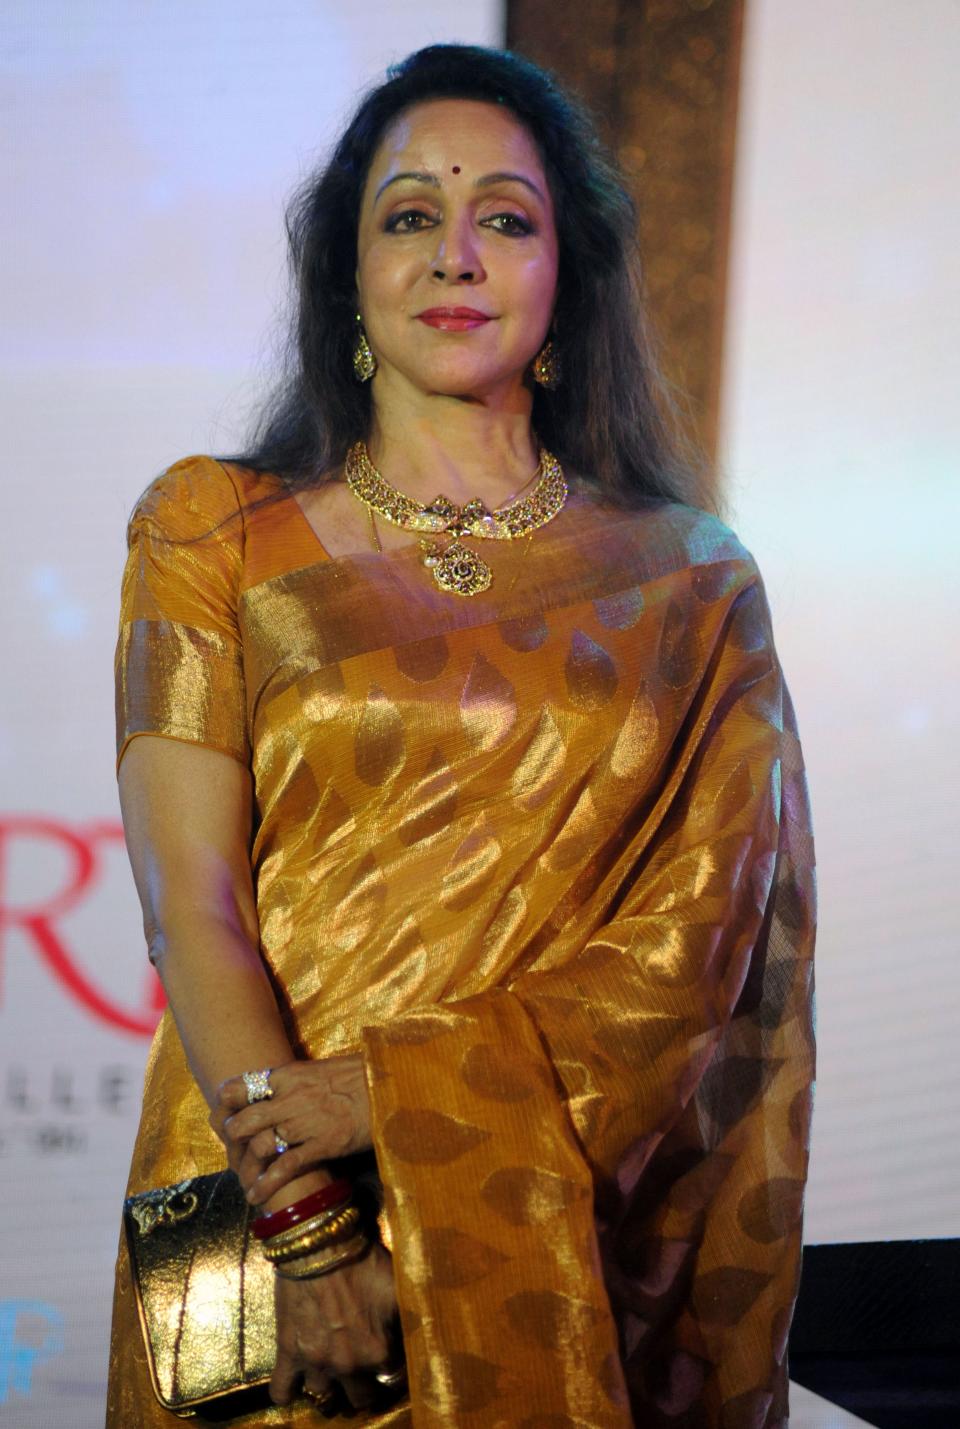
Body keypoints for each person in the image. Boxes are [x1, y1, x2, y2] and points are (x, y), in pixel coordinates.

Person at [107, 42, 815, 1428]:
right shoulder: (207, 528)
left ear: (563, 286)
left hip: (545, 1199)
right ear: (349, 280)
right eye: (409, 215)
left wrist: (383, 1096)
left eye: (504, 217)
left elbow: (698, 948)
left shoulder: (688, 582)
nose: (455, 255)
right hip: (230, 1167)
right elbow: (188, 906)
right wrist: (307, 1223)